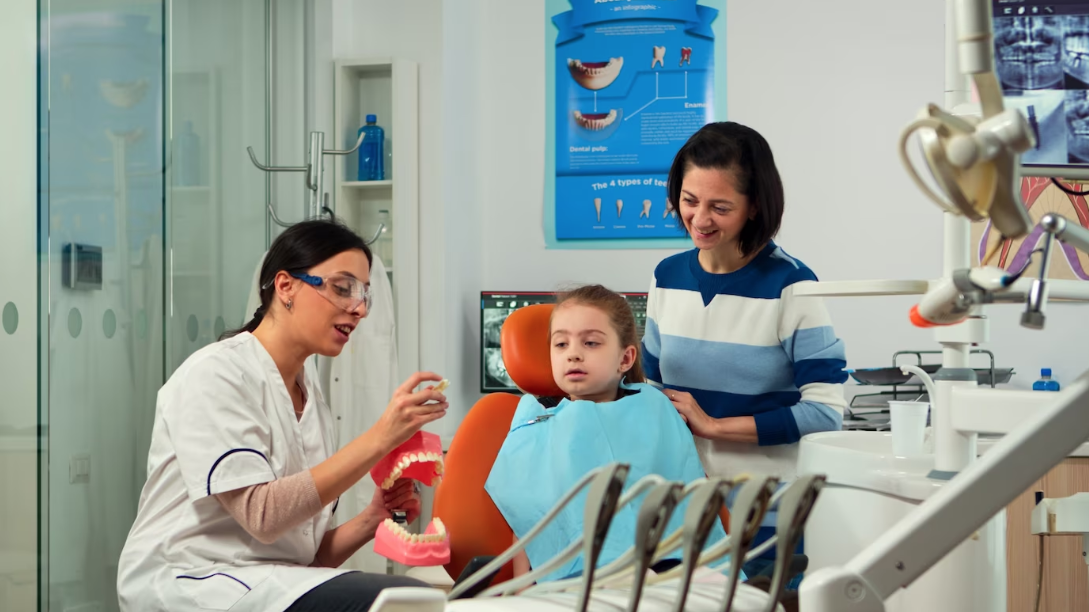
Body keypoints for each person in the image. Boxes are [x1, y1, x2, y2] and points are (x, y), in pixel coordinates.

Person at [117, 220, 448, 612]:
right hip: (188, 583)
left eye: (364, 296)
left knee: (411, 600)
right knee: (390, 602)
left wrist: (371, 518)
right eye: (343, 289)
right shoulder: (216, 375)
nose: (358, 309)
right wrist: (381, 437)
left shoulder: (312, 405)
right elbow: (263, 516)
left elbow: (304, 561)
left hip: (263, 587)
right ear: (286, 286)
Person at [642, 121, 848, 584]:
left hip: (766, 511)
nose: (699, 219)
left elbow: (827, 411)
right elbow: (653, 388)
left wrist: (714, 426)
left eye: (720, 207)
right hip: (682, 509)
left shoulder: (791, 285)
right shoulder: (666, 276)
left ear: (754, 207)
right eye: (689, 201)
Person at [484, 285, 729, 583]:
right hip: (574, 578)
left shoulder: (655, 410)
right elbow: (527, 514)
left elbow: (687, 502)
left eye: (590, 343)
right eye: (560, 344)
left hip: (666, 568)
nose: (573, 354)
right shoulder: (535, 422)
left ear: (625, 359)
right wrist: (522, 589)